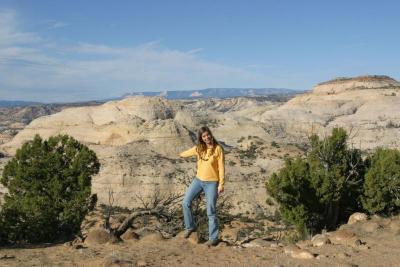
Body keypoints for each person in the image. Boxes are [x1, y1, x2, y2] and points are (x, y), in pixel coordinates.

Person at [179, 126, 225, 247]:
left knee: (211, 211)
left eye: (208, 134)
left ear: (211, 134)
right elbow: (185, 153)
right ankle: (190, 227)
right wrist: (178, 154)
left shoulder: (218, 149)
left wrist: (221, 184)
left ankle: (213, 238)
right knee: (185, 203)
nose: (207, 137)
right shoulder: (199, 148)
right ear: (201, 138)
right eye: (204, 136)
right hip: (198, 180)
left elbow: (221, 168)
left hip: (212, 183)